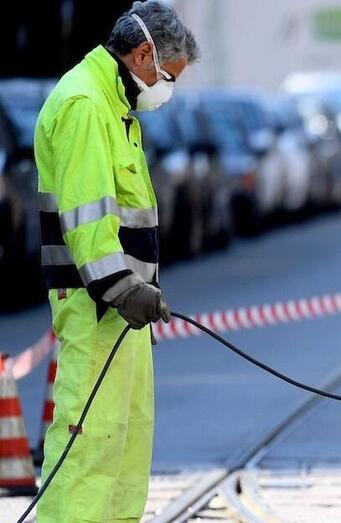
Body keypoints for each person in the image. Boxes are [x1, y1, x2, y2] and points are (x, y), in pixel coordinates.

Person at [33, 2, 198, 520]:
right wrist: (123, 289)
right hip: (99, 305)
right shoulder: (84, 105)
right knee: (90, 445)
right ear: (144, 54)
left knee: (125, 440)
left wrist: (135, 293)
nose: (167, 90)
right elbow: (88, 222)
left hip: (123, 311)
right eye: (169, 77)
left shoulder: (114, 107)